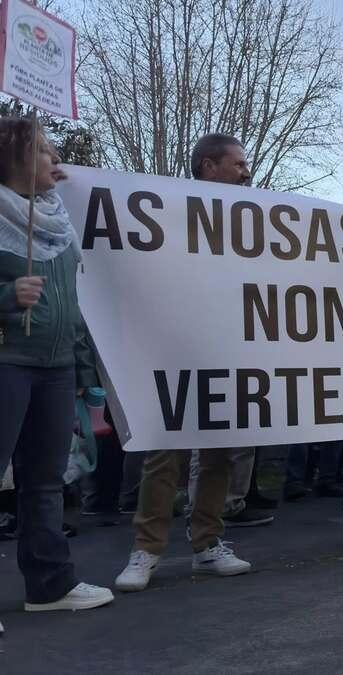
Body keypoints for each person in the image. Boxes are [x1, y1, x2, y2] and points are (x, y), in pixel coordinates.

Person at [117, 134, 265, 592]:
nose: (246, 171)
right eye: (238, 163)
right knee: (165, 454)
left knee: (218, 454)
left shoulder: (253, 221)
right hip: (177, 350)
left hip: (227, 349)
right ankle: (146, 550)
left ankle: (207, 544)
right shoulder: (170, 211)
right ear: (208, 166)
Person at [0, 116, 114, 615]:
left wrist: (85, 373)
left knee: (45, 480)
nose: (56, 160)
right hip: (8, 359)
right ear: (16, 160)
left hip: (55, 366)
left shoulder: (57, 220)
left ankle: (50, 586)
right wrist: (6, 295)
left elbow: (76, 301)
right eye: (45, 152)